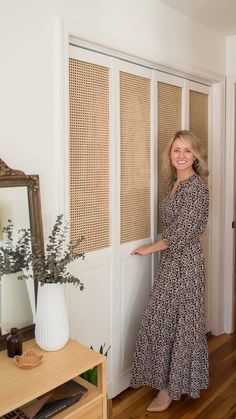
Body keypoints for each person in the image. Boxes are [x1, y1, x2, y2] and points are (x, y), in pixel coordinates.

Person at [130, 130, 209, 412]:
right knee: (161, 321)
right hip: (171, 263)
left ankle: (169, 390)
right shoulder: (173, 185)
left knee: (177, 325)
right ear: (170, 154)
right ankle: (169, 384)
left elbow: (185, 231)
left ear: (196, 156)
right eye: (177, 150)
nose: (181, 156)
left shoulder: (197, 188)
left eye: (188, 151)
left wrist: (149, 249)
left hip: (186, 265)